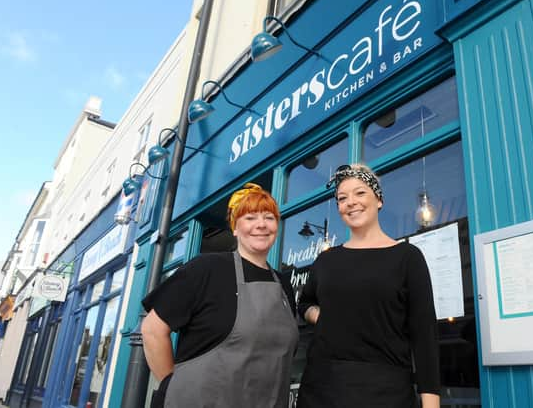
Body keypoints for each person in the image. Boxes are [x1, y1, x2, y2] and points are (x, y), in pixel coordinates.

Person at [141, 183, 299, 408]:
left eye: (269, 217)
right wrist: (172, 387)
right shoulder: (206, 269)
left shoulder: (284, 285)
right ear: (235, 227)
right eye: (250, 217)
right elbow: (152, 330)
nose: (261, 225)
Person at [296, 164, 440, 408]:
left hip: (385, 392)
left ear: (379, 200)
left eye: (360, 193)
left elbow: (424, 335)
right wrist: (319, 316)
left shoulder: (407, 257)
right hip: (321, 388)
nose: (351, 202)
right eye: (342, 198)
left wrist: (431, 403)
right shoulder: (326, 260)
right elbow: (305, 303)